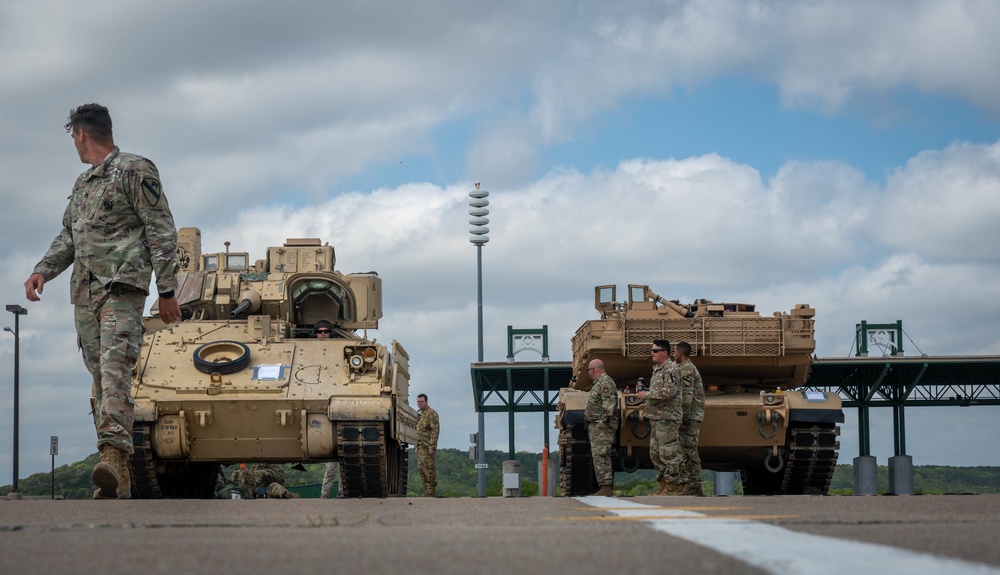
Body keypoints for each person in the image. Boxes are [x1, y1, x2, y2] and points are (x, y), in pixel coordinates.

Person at [23, 104, 181, 500]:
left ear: (80, 135)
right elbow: (68, 237)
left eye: (73, 137)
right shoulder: (82, 185)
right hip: (85, 293)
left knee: (114, 368)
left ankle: (112, 454)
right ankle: (120, 474)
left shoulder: (135, 170)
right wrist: (43, 269)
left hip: (121, 289)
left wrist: (167, 292)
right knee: (99, 377)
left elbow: (161, 228)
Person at [636, 339, 684, 495]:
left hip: (667, 418)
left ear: (664, 353)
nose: (652, 353)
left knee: (668, 453)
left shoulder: (671, 369)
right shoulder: (658, 369)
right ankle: (664, 484)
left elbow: (670, 392)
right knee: (655, 454)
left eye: (655, 351)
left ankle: (673, 486)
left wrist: (647, 394)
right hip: (657, 418)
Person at [584, 359, 619, 496]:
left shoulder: (605, 382)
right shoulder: (600, 382)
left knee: (601, 454)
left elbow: (609, 404)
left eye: (589, 370)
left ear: (592, 370)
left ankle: (606, 486)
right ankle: (604, 486)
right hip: (598, 425)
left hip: (602, 426)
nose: (589, 373)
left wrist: (602, 423)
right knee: (599, 455)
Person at [674, 341, 705, 496]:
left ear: (680, 353)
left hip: (690, 416)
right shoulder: (685, 368)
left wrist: (683, 418)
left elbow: (686, 397)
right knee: (685, 451)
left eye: (675, 352)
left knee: (689, 451)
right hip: (690, 415)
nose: (674, 354)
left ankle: (695, 486)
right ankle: (689, 485)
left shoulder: (687, 369)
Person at [415, 393, 439, 497]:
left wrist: (432, 446)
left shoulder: (431, 413)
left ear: (426, 402)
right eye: (418, 402)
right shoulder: (419, 415)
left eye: (421, 402)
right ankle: (427, 488)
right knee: (421, 468)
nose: (419, 404)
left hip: (427, 446)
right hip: (420, 446)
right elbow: (418, 431)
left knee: (429, 468)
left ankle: (431, 490)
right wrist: (416, 446)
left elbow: (435, 431)